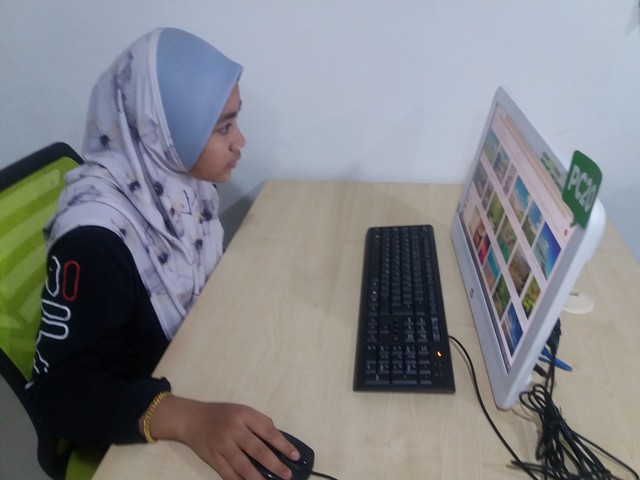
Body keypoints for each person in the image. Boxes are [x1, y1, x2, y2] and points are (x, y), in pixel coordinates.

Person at [25, 27, 300, 480]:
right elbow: (56, 396)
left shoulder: (181, 186)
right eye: (224, 127)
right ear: (162, 131)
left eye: (235, 121)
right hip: (139, 420)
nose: (240, 142)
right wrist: (188, 419)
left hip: (198, 361)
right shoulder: (94, 243)